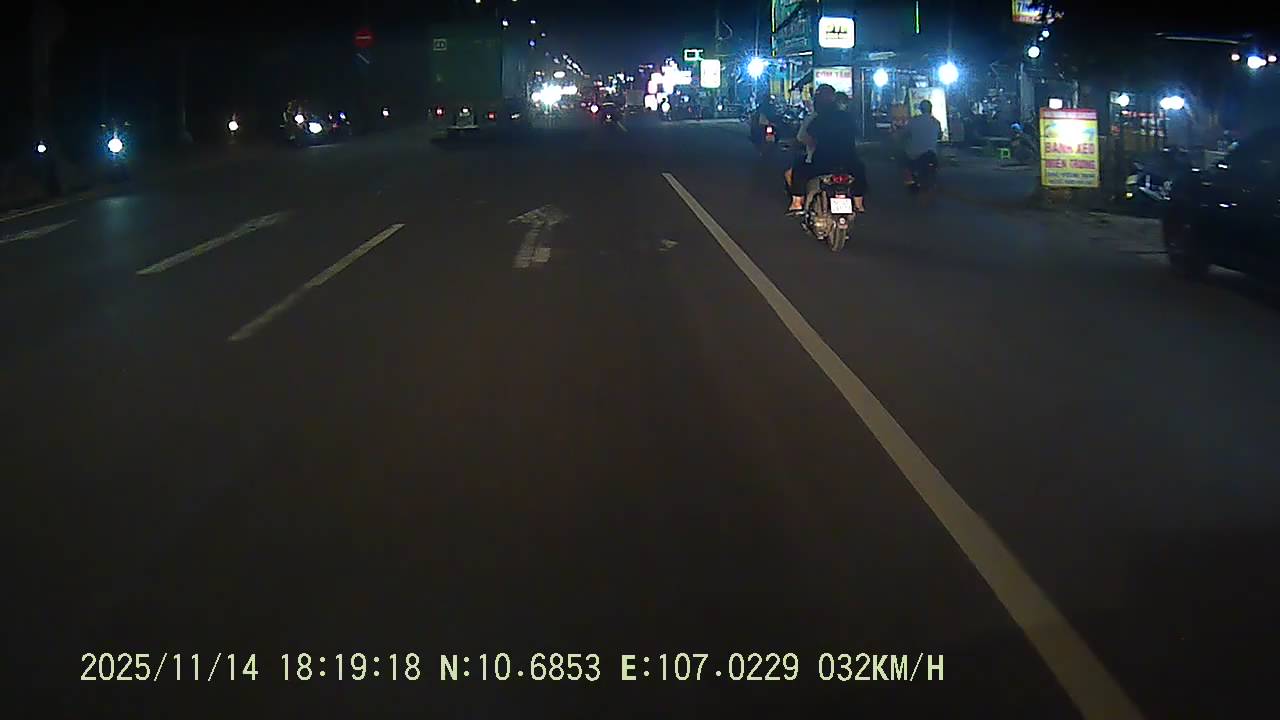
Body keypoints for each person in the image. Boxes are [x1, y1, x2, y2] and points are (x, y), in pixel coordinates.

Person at [785, 84, 867, 214]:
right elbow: (856, 136)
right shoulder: (847, 117)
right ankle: (859, 204)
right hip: (849, 163)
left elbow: (806, 138)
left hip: (822, 164)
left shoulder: (818, 118)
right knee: (860, 170)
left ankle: (797, 203)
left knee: (799, 168)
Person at [901, 99, 942, 185]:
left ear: (920, 109)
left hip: (915, 155)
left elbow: (904, 134)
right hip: (932, 155)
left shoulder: (914, 121)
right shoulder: (936, 122)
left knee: (904, 164)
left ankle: (909, 183)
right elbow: (939, 136)